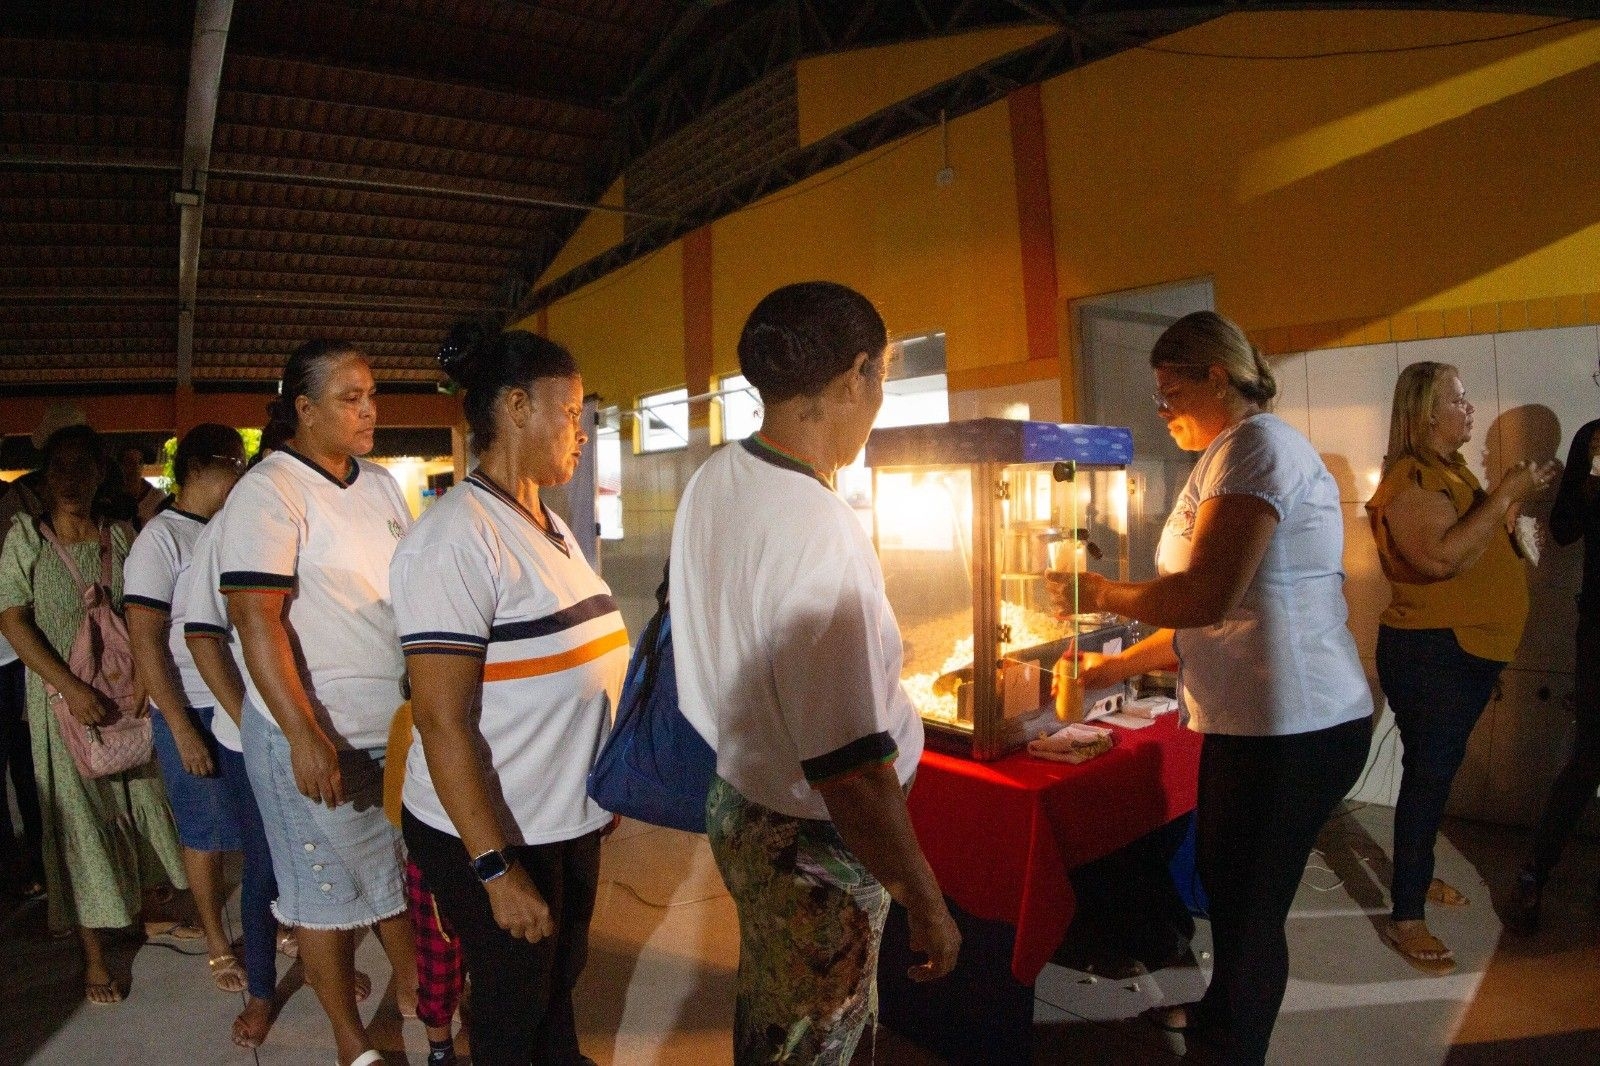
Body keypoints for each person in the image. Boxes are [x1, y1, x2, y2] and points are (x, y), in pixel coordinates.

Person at [1059, 311, 1371, 1065]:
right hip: (1268, 720)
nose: (1162, 409)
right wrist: (1106, 670)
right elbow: (1213, 620)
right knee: (1237, 901)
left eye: (1172, 392)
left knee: (1247, 915)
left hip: (1289, 726)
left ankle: (1231, 1047)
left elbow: (1207, 598)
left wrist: (1098, 592)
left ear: (1219, 377)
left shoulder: (1257, 449)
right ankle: (1219, 1019)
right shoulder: (1231, 453)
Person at [671, 282, 960, 1065]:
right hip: (811, 844)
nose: (879, 398)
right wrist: (924, 898)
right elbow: (852, 772)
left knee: (775, 1007)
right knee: (818, 1036)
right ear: (855, 375)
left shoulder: (717, 477)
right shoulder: (817, 526)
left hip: (738, 803)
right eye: (882, 378)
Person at [392, 325, 625, 1066]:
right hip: (493, 827)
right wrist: (493, 869)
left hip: (560, 813)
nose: (580, 433)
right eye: (571, 412)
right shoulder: (456, 539)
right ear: (518, 407)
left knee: (558, 976)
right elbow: (440, 718)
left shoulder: (547, 521)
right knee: (511, 1000)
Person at [221, 340, 417, 1066]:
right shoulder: (270, 492)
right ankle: (350, 1042)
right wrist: (305, 734)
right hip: (305, 733)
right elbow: (255, 619)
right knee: (323, 895)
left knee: (393, 879)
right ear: (303, 410)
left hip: (383, 731)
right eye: (349, 397)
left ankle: (416, 1003)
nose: (369, 409)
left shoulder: (381, 484)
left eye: (372, 394)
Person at [1365, 362, 1551, 971]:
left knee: (1434, 779)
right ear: (1423, 413)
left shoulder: (1451, 473)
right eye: (1458, 400)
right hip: (1434, 654)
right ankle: (1407, 916)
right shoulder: (1408, 480)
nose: (1469, 409)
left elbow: (1471, 544)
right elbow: (1441, 558)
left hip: (1461, 651)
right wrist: (1504, 496)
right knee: (1427, 778)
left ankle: (1416, 882)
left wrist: (1505, 515)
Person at [0, 424, 188, 1004]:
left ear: (100, 472)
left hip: (124, 696)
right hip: (64, 705)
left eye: (84, 466)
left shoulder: (120, 536)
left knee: (141, 799)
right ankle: (95, 956)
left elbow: (144, 610)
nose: (73, 479)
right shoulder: (26, 539)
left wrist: (147, 682)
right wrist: (68, 688)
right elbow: (13, 620)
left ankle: (145, 907)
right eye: (61, 467)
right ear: (45, 476)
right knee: (78, 824)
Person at [124, 424, 251, 992]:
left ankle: (266, 922)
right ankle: (218, 938)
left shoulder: (234, 528)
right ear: (201, 467)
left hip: (240, 698)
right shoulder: (162, 539)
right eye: (237, 463)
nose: (244, 475)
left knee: (254, 823)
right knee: (205, 832)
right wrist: (179, 725)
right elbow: (146, 640)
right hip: (193, 704)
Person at [1517, 370, 1600, 930]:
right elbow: (1566, 529)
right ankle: (1533, 877)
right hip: (1599, 620)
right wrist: (1591, 481)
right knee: (1589, 758)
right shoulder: (1591, 438)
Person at [104, 443, 170, 530]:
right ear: (120, 465)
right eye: (129, 462)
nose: (136, 467)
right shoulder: (111, 496)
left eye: (140, 462)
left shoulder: (157, 497)